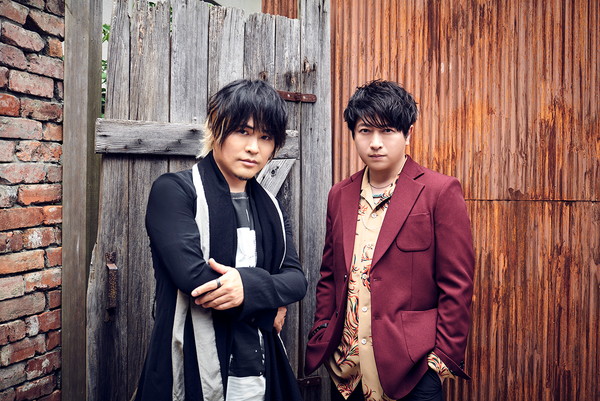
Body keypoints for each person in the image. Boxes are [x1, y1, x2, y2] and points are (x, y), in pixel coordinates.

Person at [135, 79, 307, 401]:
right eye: (243, 131)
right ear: (216, 128)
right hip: (188, 363)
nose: (254, 147)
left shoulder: (270, 205)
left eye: (265, 137)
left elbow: (297, 280)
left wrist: (247, 287)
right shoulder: (174, 191)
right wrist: (268, 306)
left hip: (259, 366)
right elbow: (195, 279)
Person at [304, 80, 474, 401]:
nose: (375, 143)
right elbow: (329, 275)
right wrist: (323, 331)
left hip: (412, 370)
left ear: (407, 134)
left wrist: (440, 360)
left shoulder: (439, 191)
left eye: (387, 131)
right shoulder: (340, 194)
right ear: (353, 134)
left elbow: (457, 284)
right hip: (348, 372)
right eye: (365, 131)